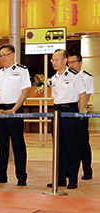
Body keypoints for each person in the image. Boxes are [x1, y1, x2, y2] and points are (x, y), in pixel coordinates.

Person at [0, 44, 31, 186]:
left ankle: (21, 176)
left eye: (5, 55)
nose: (2, 58)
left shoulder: (22, 70)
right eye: (0, 55)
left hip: (15, 111)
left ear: (13, 55)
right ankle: (1, 175)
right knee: (2, 145)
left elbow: (25, 93)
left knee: (18, 144)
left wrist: (13, 110)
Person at [47, 49, 86, 189]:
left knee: (71, 147)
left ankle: (73, 179)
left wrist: (80, 113)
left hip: (70, 110)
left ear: (65, 61)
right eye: (52, 59)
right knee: (58, 147)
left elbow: (82, 94)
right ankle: (60, 178)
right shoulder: (53, 78)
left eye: (57, 59)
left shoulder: (74, 75)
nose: (54, 62)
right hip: (57, 111)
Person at [68, 53, 95, 180]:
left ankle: (87, 170)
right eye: (69, 62)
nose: (71, 65)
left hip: (81, 113)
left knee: (83, 143)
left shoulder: (87, 77)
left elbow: (86, 97)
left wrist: (79, 112)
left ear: (80, 62)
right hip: (69, 113)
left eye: (73, 62)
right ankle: (70, 170)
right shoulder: (66, 75)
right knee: (69, 144)